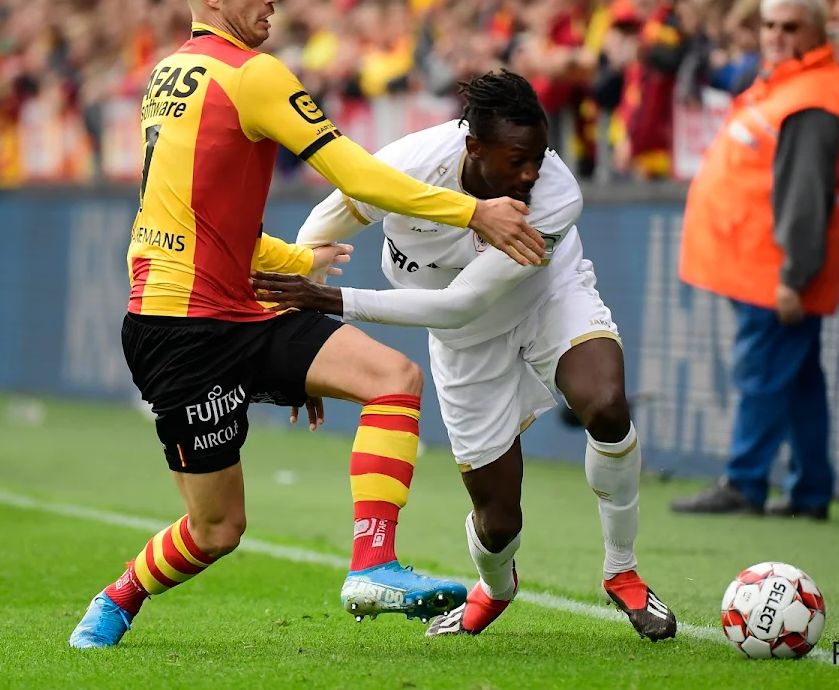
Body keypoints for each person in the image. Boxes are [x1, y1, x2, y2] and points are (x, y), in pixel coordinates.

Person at [69, 0, 546, 649]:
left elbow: (195, 211)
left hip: (231, 305)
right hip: (183, 330)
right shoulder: (252, 74)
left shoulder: (171, 72)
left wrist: (295, 266)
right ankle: (119, 596)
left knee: (393, 377)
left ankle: (372, 564)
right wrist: (472, 210)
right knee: (217, 529)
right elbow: (356, 175)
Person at [251, 70, 678, 642]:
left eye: (540, 156)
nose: (532, 174)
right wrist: (301, 324)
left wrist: (328, 298)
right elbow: (321, 227)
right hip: (464, 344)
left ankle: (622, 570)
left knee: (605, 406)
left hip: (547, 297)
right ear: (473, 148)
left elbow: (461, 300)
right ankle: (496, 588)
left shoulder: (556, 194)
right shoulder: (411, 163)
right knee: (499, 522)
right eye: (516, 160)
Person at [667, 0, 839, 521]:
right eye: (770, 25)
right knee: (797, 380)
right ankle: (810, 491)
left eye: (790, 26)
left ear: (818, 31)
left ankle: (746, 483)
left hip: (773, 271)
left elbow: (805, 196)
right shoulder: (786, 85)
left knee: (764, 373)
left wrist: (795, 275)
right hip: (756, 264)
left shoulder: (812, 96)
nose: (776, 35)